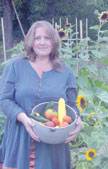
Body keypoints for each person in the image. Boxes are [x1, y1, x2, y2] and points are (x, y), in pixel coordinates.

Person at [0, 20, 82, 169]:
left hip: (52, 141)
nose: (42, 42)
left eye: (47, 38)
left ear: (54, 41)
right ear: (31, 41)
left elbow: (71, 105)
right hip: (20, 138)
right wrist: (23, 118)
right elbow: (4, 99)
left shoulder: (65, 71)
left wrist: (78, 121)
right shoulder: (15, 66)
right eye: (38, 38)